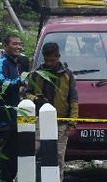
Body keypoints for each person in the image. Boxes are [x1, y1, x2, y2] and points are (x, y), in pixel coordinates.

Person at [26, 42, 79, 175]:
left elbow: (73, 100)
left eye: (52, 60)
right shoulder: (36, 74)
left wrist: (72, 123)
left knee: (58, 155)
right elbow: (26, 93)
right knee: (35, 149)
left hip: (61, 121)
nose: (49, 63)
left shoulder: (68, 75)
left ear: (58, 57)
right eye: (47, 60)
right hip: (39, 120)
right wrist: (36, 99)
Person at [0, 33, 29, 182]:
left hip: (14, 112)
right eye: (14, 44)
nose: (18, 47)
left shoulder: (17, 63)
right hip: (2, 113)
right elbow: (1, 82)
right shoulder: (2, 61)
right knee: (5, 149)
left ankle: (7, 181)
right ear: (5, 46)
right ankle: (2, 181)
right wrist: (20, 81)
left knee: (14, 150)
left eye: (20, 44)